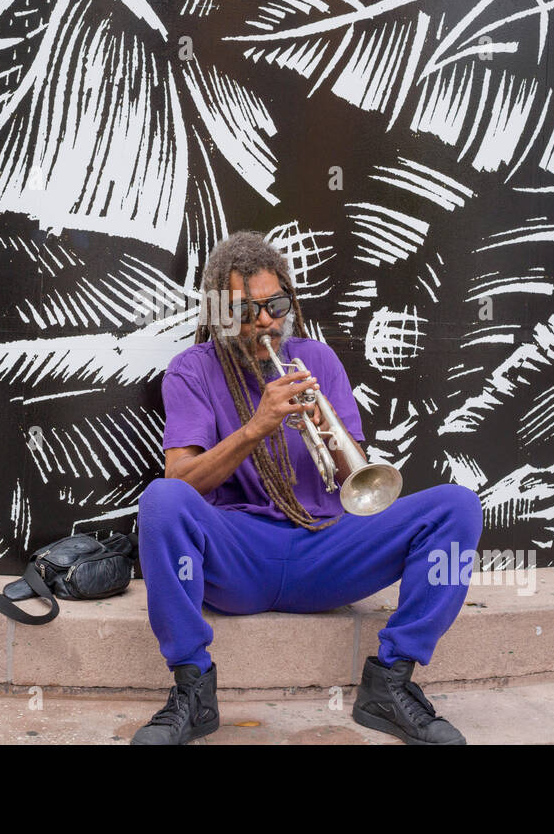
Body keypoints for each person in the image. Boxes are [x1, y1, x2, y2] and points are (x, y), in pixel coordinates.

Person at [133, 231, 484, 745]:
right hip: (240, 558)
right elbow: (180, 480)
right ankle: (193, 691)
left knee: (457, 506)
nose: (264, 321)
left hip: (327, 551)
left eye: (274, 304)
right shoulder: (193, 370)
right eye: (244, 310)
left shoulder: (318, 360)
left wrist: (327, 431)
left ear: (289, 300)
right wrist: (256, 427)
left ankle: (390, 685)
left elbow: (360, 483)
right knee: (160, 499)